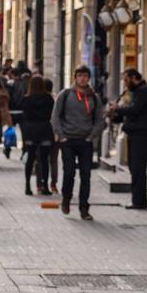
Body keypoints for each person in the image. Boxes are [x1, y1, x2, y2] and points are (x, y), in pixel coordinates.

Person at [52, 65, 106, 220]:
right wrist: (61, 136)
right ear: (75, 77)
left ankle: (84, 208)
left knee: (86, 175)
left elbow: (99, 120)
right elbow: (55, 116)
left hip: (85, 140)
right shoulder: (66, 94)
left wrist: (92, 136)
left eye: (85, 76)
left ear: (89, 78)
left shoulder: (93, 97)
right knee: (69, 172)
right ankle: (66, 199)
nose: (82, 78)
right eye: (80, 75)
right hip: (68, 140)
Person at [110, 68, 147, 209]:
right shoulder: (135, 92)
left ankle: (139, 202)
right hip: (134, 135)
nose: (125, 83)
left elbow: (134, 110)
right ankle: (137, 200)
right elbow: (129, 113)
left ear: (134, 77)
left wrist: (117, 109)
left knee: (138, 169)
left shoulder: (144, 91)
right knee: (134, 168)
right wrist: (115, 115)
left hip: (141, 136)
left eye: (126, 79)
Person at [19, 75, 56, 195]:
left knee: (30, 158)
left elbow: (23, 116)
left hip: (30, 130)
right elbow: (52, 114)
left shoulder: (26, 99)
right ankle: (45, 186)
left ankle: (27, 186)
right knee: (44, 159)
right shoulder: (49, 99)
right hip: (44, 129)